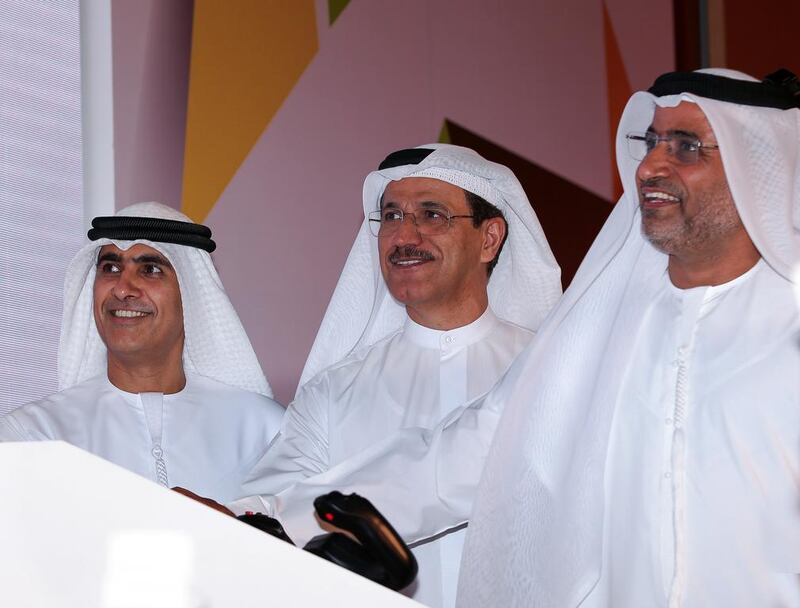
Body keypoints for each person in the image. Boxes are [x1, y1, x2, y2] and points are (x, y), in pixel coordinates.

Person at [189, 69, 797, 607]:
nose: (650, 166)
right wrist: (267, 522)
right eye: (652, 142)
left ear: (757, 165)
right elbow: (455, 461)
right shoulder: (597, 340)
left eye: (685, 146)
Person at [208, 144, 562, 607]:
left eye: (432, 214)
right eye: (392, 216)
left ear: (490, 238)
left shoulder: (551, 370)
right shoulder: (334, 391)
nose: (404, 235)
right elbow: (268, 523)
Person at [0, 202, 284, 503]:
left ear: (191, 292)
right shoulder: (34, 435)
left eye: (150, 270)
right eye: (110, 267)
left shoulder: (267, 432)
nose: (123, 289)